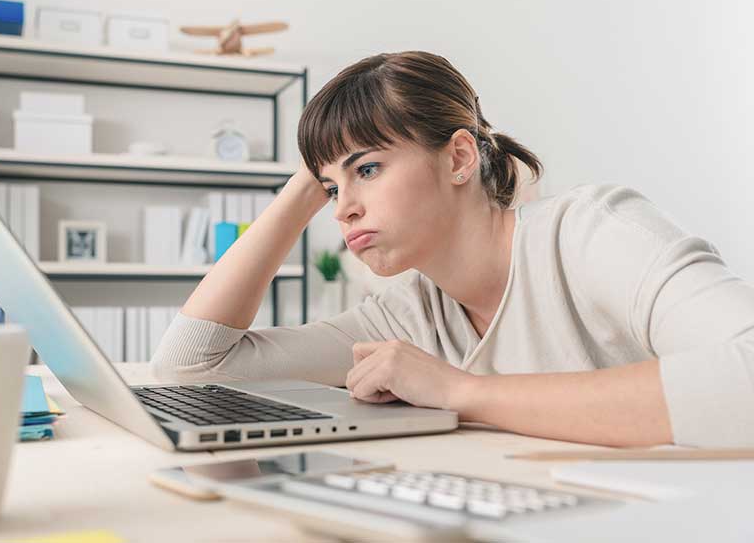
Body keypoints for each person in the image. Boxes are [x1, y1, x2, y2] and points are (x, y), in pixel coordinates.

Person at [152, 51, 754, 448]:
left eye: (368, 169)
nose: (342, 209)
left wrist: (460, 393)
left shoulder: (591, 233)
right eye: (331, 188)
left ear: (460, 158)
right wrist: (301, 186)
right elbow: (191, 368)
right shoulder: (406, 314)